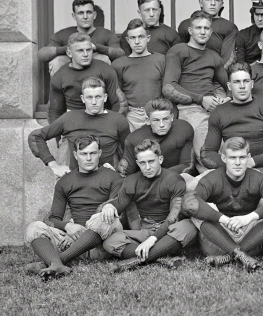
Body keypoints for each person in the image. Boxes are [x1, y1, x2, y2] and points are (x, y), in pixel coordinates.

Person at [182, 137, 263, 271]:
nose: (238, 163)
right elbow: (189, 203)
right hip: (219, 236)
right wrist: (224, 219)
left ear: (248, 157)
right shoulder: (212, 177)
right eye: (232, 158)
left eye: (242, 157)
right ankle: (239, 254)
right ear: (224, 158)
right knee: (198, 210)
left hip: (250, 234)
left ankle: (230, 256)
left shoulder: (258, 177)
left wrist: (248, 218)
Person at [23, 135, 123, 279]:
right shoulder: (65, 181)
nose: (88, 158)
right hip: (74, 239)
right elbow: (54, 218)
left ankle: (56, 262)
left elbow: (116, 207)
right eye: (83, 154)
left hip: (102, 242)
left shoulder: (113, 177)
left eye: (93, 153)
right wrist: (67, 227)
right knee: (34, 227)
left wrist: (80, 232)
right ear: (76, 155)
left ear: (99, 153)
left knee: (108, 217)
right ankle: (58, 264)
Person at [100, 139, 198, 273]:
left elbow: (173, 217)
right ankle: (161, 258)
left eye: (151, 161)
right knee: (110, 241)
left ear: (161, 159)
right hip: (146, 230)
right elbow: (119, 204)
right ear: (137, 163)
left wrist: (153, 239)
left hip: (170, 232)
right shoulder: (131, 181)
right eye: (142, 163)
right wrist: (109, 206)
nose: (147, 167)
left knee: (189, 225)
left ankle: (133, 261)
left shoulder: (174, 179)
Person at [200, 62, 263, 181]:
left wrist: (252, 161)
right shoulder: (219, 112)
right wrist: (234, 165)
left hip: (260, 168)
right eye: (237, 82)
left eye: (246, 81)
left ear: (252, 84)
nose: (242, 86)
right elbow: (207, 153)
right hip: (229, 170)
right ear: (229, 86)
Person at [162, 10, 229, 166]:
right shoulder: (179, 51)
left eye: (206, 28)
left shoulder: (214, 56)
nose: (203, 31)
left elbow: (228, 84)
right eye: (198, 28)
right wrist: (200, 99)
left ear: (211, 31)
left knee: (229, 151)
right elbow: (169, 87)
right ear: (190, 31)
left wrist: (227, 97)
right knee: (207, 157)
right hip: (191, 108)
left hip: (215, 109)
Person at [29, 77, 130, 177]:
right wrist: (54, 165)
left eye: (98, 97)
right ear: (82, 98)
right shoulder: (69, 118)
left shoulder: (118, 120)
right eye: (89, 97)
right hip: (76, 181)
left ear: (105, 97)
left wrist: (118, 171)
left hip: (106, 180)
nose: (94, 102)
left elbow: (128, 150)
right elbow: (36, 136)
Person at [48, 32, 124, 124]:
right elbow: (55, 112)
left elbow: (118, 104)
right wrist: (59, 137)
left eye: (88, 50)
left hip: (101, 121)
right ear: (69, 53)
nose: (85, 54)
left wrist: (109, 128)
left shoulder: (105, 69)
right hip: (73, 124)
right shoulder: (59, 76)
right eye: (80, 51)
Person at [38, 0, 124, 76]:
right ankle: (60, 91)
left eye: (89, 12)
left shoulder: (106, 34)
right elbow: (42, 55)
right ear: (74, 16)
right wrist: (71, 48)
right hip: (70, 82)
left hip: (95, 86)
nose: (85, 16)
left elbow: (120, 53)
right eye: (80, 13)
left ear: (94, 15)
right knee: (58, 61)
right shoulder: (62, 34)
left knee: (103, 59)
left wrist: (96, 47)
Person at [112, 18, 166, 132]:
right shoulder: (118, 64)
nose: (137, 41)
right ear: (127, 40)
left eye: (140, 37)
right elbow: (117, 96)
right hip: (132, 115)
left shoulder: (160, 60)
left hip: (157, 112)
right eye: (132, 38)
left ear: (148, 38)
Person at [119, 98, 194, 177]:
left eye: (165, 119)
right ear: (148, 120)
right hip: (147, 181)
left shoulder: (183, 128)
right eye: (156, 120)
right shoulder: (134, 139)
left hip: (174, 178)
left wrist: (159, 175)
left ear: (172, 117)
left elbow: (187, 166)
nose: (161, 125)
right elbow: (126, 174)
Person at [177, 0, 238, 68]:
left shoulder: (229, 27)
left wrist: (214, 75)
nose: (213, 3)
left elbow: (228, 59)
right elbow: (181, 54)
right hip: (191, 74)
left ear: (221, 4)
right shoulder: (186, 25)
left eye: (217, 0)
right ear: (201, 3)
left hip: (216, 75)